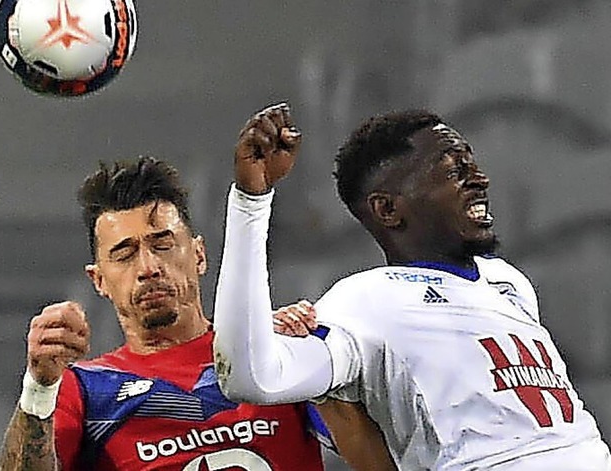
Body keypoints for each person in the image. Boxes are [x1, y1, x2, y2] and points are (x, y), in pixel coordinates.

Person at [213, 103, 611, 470]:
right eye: (455, 171)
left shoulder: (507, 283)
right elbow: (249, 377)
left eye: (471, 165)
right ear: (388, 209)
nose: (480, 180)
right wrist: (251, 201)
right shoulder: (365, 301)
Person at [0, 156, 394, 471]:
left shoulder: (272, 356)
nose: (148, 266)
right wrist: (40, 388)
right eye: (125, 253)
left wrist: (316, 370)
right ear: (99, 280)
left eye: (162, 244)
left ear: (199, 254)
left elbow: (377, 463)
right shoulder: (83, 389)